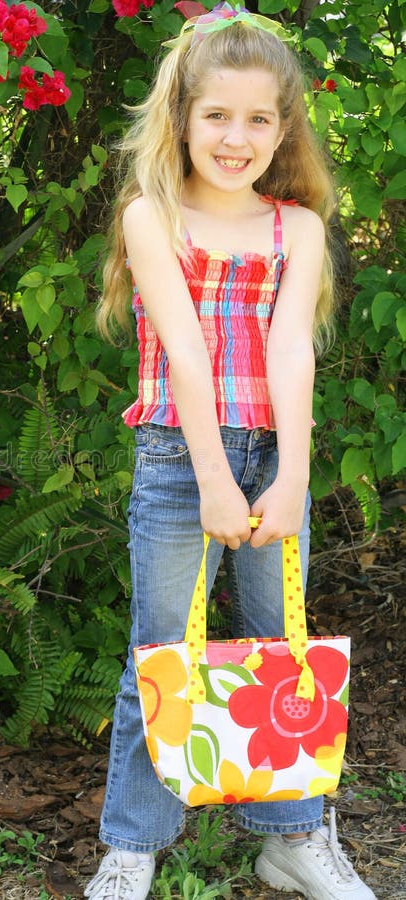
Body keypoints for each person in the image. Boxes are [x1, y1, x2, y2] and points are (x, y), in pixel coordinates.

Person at [86, 4, 376, 899]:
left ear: (284, 127)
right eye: (217, 115)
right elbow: (183, 350)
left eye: (258, 118)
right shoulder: (153, 217)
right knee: (161, 654)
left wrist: (291, 477)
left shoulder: (298, 229)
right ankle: (134, 845)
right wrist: (214, 478)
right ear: (181, 116)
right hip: (183, 459)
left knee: (279, 650)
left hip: (272, 456)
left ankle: (290, 836)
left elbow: (291, 351)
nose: (236, 136)